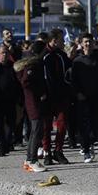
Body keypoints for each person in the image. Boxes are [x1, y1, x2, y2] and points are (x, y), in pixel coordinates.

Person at [70, 33, 98, 163]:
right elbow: (73, 80)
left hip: (97, 96)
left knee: (97, 125)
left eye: (90, 41)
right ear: (81, 43)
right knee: (83, 125)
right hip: (82, 97)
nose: (88, 44)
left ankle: (91, 143)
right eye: (85, 42)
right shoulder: (77, 61)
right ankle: (86, 149)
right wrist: (78, 93)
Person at [15, 41, 48, 173]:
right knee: (36, 131)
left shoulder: (34, 64)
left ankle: (29, 159)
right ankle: (32, 160)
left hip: (34, 101)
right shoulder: (33, 65)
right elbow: (26, 82)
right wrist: (39, 93)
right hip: (33, 102)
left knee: (36, 131)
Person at [40, 29, 72, 165]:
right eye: (60, 39)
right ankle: (47, 152)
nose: (63, 42)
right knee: (46, 127)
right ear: (53, 40)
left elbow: (68, 72)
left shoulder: (61, 55)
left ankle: (58, 150)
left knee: (62, 124)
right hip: (46, 97)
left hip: (61, 97)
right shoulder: (43, 55)